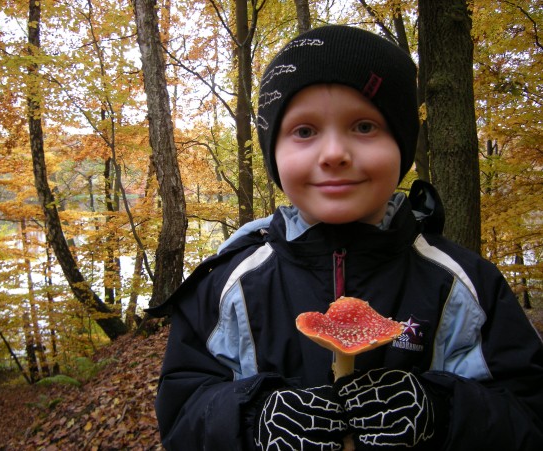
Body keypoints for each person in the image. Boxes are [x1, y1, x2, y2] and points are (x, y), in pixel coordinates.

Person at [149, 25, 543, 450]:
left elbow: (529, 415)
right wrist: (249, 419)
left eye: (364, 126)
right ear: (273, 154)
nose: (334, 153)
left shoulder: (467, 285)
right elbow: (182, 413)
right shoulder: (225, 288)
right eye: (304, 131)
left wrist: (444, 411)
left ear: (402, 144)